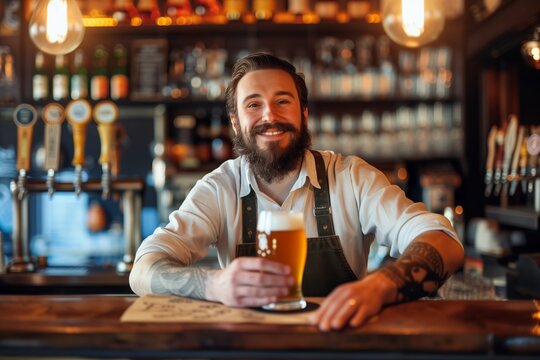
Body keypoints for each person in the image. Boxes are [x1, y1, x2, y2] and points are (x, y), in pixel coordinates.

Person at [130, 52, 464, 331]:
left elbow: (444, 242)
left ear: (304, 114)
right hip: (250, 351)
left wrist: (381, 285)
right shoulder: (220, 188)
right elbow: (143, 270)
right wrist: (213, 285)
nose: (270, 116)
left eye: (282, 101)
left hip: (338, 347)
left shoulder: (350, 177)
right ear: (235, 122)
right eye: (253, 105)